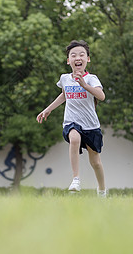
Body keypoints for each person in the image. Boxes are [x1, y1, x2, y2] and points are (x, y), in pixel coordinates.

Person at [36, 40, 107, 197]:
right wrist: (47, 110)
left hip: (91, 125)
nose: (77, 58)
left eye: (82, 54)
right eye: (73, 55)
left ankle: (102, 190)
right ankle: (76, 179)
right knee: (74, 138)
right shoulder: (65, 78)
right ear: (68, 61)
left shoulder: (92, 79)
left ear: (87, 59)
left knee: (95, 162)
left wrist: (84, 85)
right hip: (71, 121)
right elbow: (64, 95)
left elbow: (101, 96)